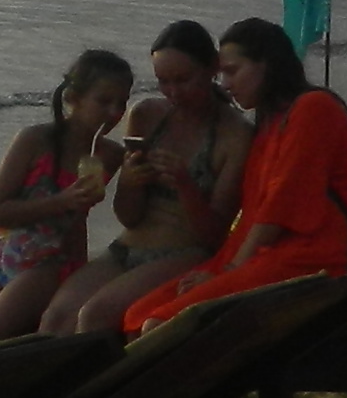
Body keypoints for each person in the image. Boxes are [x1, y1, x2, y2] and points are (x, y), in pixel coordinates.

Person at [118, 19, 347, 334]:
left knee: (161, 323)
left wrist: (229, 272)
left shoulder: (314, 108)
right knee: (135, 316)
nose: (224, 84)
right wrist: (224, 266)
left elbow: (278, 206)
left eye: (233, 71)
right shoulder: (268, 121)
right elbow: (252, 213)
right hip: (259, 254)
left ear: (267, 66)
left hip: (306, 257)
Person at [49, 20, 247, 333]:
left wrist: (185, 184)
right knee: (57, 316)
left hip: (185, 252)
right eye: (163, 81)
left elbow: (214, 236)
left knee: (94, 316)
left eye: (183, 80)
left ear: (212, 69)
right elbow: (128, 216)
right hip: (127, 246)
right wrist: (129, 182)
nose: (173, 92)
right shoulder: (148, 115)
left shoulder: (234, 135)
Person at [0, 49, 133, 352]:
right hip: (1, 253)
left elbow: (85, 220)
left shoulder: (110, 155)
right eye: (103, 101)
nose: (114, 113)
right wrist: (62, 201)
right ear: (74, 99)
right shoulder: (34, 140)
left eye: (121, 103)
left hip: (50, 261)